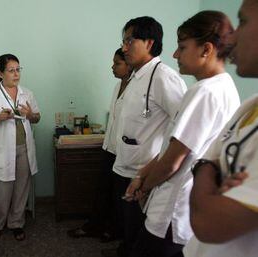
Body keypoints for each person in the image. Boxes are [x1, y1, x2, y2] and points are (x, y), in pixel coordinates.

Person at [124, 11, 240, 257]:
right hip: (186, 207)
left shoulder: (204, 92)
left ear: (206, 49)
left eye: (182, 47)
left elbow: (173, 160)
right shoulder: (225, 87)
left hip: (171, 209)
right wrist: (143, 174)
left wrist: (144, 187)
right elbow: (173, 147)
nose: (175, 54)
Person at [102, 16, 187, 257]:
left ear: (149, 43)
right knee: (128, 228)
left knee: (141, 233)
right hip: (125, 165)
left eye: (129, 41)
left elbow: (181, 130)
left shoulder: (164, 78)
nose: (124, 47)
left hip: (144, 174)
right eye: (123, 41)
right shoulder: (136, 77)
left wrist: (151, 174)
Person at [183, 1, 258, 256]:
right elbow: (206, 160)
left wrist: (206, 171)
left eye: (243, 22)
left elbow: (209, 223)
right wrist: (209, 172)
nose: (232, 37)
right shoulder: (250, 105)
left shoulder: (207, 90)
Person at [67, 48, 132, 242]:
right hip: (109, 148)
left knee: (119, 197)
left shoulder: (137, 89)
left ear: (129, 65)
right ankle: (94, 226)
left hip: (124, 152)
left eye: (117, 63)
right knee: (102, 191)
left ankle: (113, 231)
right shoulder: (117, 87)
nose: (112, 67)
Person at [0, 54, 40, 241]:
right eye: (11, 70)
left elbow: (37, 118)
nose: (16, 74)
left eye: (18, 69)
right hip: (3, 151)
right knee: (2, 191)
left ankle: (16, 223)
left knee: (21, 189)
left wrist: (30, 115)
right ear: (0, 73)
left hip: (24, 149)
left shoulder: (27, 93)